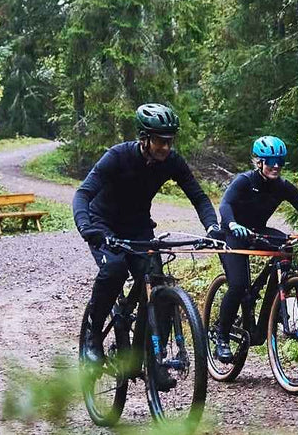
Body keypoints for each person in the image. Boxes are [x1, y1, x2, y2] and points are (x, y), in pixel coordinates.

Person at [73, 104, 220, 377]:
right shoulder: (117, 157)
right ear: (144, 137)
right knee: (114, 269)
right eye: (160, 141)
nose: (165, 147)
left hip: (139, 227)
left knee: (157, 285)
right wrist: (86, 227)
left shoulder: (172, 162)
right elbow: (83, 194)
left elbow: (198, 197)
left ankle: (155, 360)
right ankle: (93, 337)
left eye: (169, 141)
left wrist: (212, 227)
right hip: (103, 225)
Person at [212, 135, 298, 362]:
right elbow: (225, 204)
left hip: (258, 230)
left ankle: (273, 307)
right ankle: (221, 336)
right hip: (233, 234)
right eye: (270, 161)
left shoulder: (283, 187)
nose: (276, 166)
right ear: (258, 162)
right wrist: (232, 224)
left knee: (287, 246)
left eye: (280, 161)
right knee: (239, 285)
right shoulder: (245, 181)